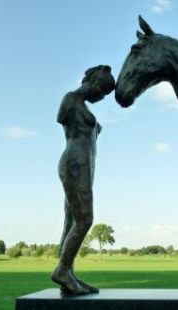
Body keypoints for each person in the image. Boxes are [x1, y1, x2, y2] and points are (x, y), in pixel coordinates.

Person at [51, 65, 115, 294]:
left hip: (84, 166)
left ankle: (69, 276)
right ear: (91, 80)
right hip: (74, 163)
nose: (101, 96)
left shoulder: (82, 105)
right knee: (85, 219)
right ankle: (62, 270)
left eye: (105, 93)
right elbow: (62, 118)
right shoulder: (71, 99)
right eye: (101, 89)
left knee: (70, 221)